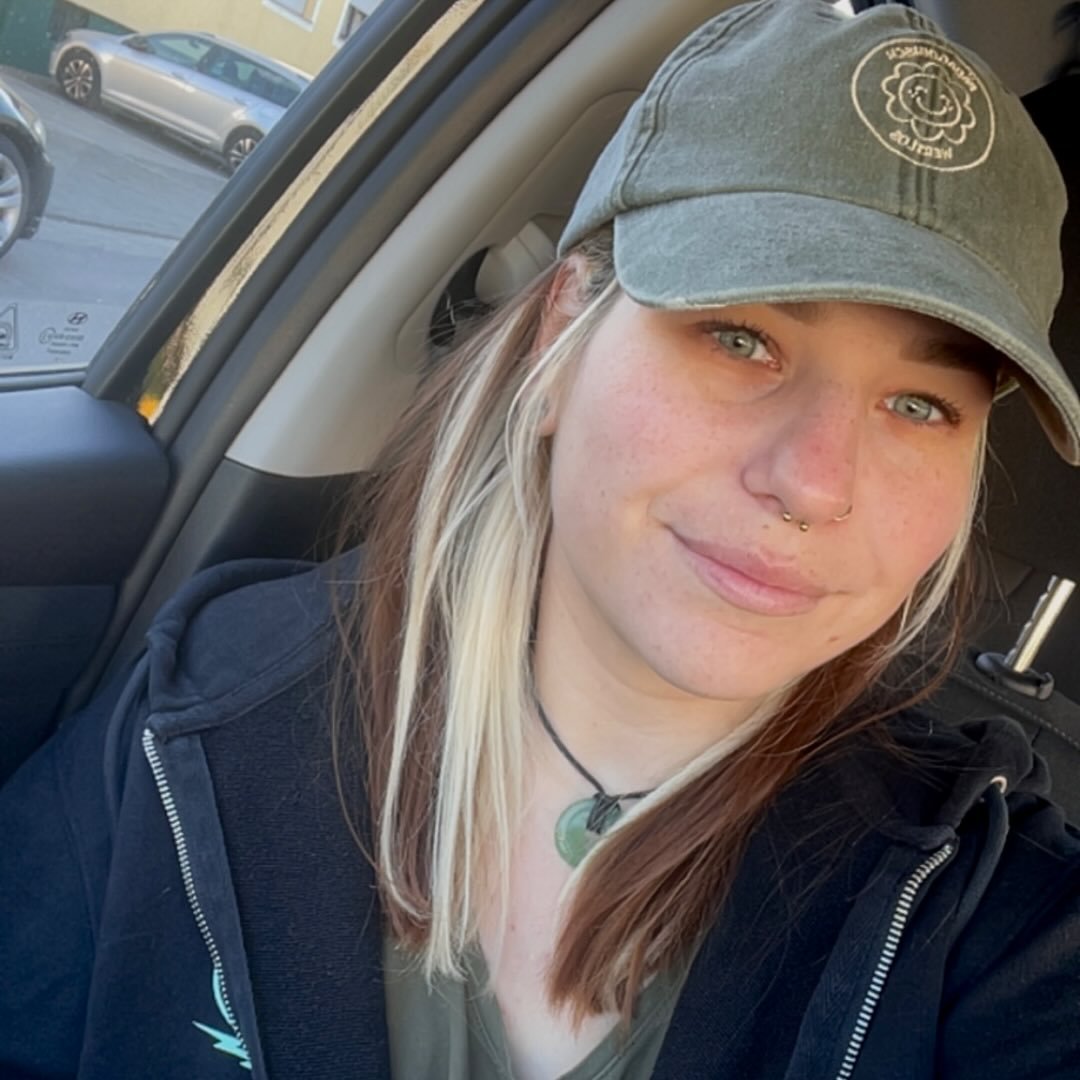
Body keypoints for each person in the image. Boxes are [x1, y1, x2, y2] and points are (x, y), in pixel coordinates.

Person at [3, 1, 1080, 1077]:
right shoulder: (201, 720)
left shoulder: (994, 923)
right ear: (564, 328)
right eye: (740, 337)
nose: (812, 481)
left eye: (921, 407)